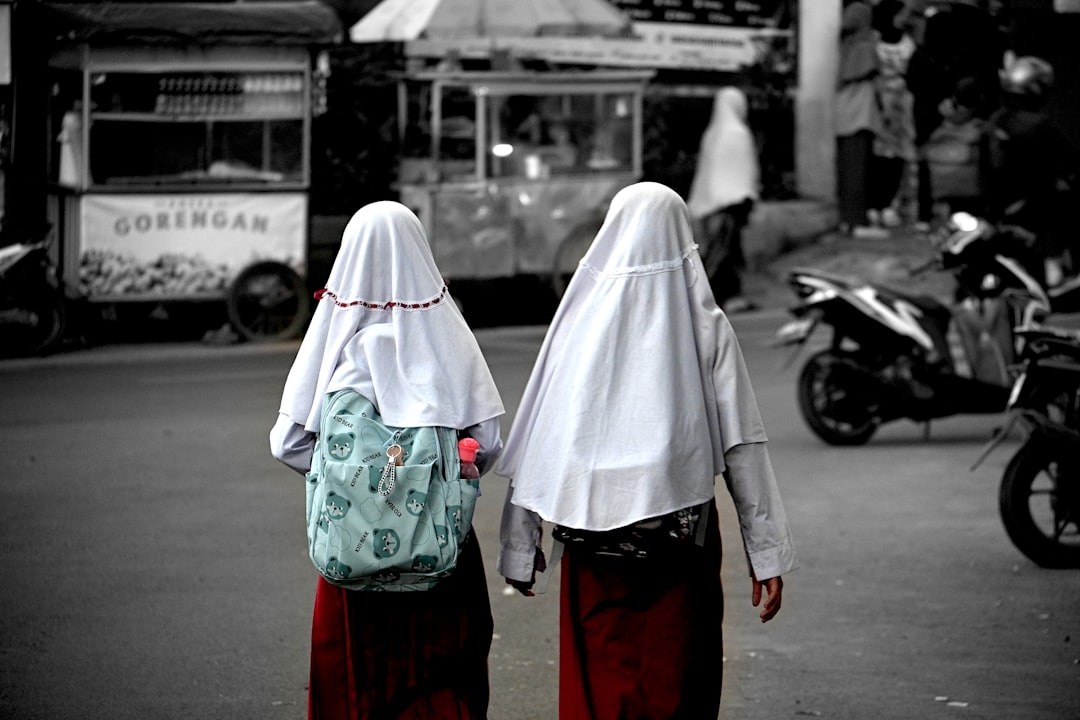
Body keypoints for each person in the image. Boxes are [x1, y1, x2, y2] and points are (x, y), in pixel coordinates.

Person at [495, 182, 798, 719]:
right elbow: (742, 445)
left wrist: (520, 547)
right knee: (675, 678)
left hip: (593, 548)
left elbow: (538, 436)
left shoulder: (577, 320)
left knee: (599, 682)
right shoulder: (706, 327)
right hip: (679, 546)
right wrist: (765, 552)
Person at [268, 200, 506, 719]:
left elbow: (287, 444)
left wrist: (361, 483)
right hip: (439, 551)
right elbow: (486, 444)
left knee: (358, 682)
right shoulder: (447, 340)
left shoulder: (335, 343)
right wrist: (425, 475)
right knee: (442, 674)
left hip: (353, 551)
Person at [980, 55, 1080, 285]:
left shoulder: (995, 121)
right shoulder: (1040, 126)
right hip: (1034, 208)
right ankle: (1056, 271)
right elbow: (1070, 162)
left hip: (998, 207)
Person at [686, 86, 760, 312]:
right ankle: (717, 298)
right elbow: (746, 171)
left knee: (721, 252)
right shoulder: (738, 134)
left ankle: (725, 297)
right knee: (724, 254)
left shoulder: (712, 134)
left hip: (710, 204)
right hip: (731, 204)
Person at [835, 1, 885, 238]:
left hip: (844, 116)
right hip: (859, 117)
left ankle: (848, 220)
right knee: (858, 172)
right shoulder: (865, 47)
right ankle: (857, 222)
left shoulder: (844, 46)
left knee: (847, 172)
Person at [868, 0, 916, 229]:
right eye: (900, 14)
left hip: (903, 103)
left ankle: (890, 204)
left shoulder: (908, 42)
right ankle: (875, 204)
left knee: (898, 157)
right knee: (878, 156)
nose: (903, 19)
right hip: (879, 101)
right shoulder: (873, 41)